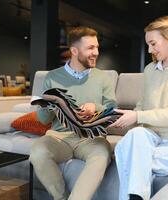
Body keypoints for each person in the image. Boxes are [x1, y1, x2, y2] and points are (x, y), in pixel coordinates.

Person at [110, 16, 168, 200]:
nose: (149, 50)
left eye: (153, 43)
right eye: (148, 44)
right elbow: (141, 107)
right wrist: (120, 119)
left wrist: (137, 116)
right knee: (135, 136)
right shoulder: (150, 70)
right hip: (153, 140)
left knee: (129, 158)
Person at [29, 26, 117, 200]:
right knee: (38, 152)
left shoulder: (103, 77)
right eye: (90, 48)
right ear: (74, 51)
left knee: (102, 155)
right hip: (58, 137)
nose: (96, 52)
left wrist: (96, 107)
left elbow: (112, 111)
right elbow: (42, 118)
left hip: (91, 138)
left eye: (97, 47)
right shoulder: (52, 77)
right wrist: (51, 103)